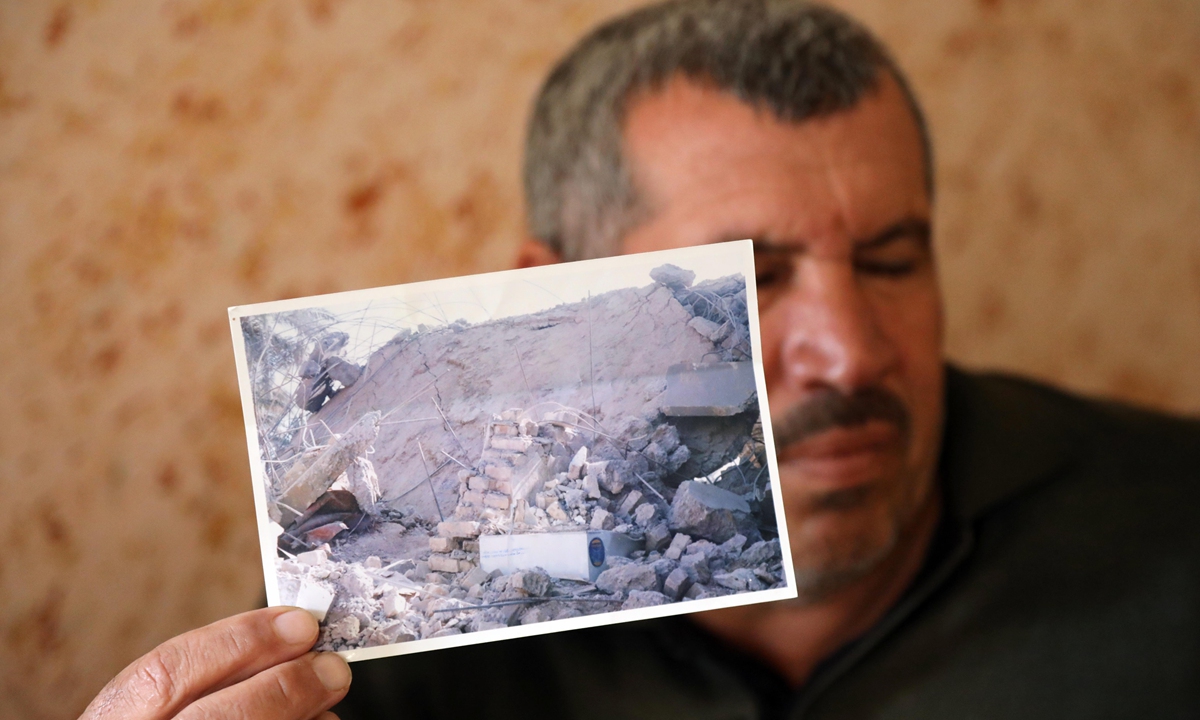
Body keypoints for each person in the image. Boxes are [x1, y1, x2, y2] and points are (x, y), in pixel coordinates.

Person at [80, 2, 1200, 719]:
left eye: (895, 260)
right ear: (544, 296)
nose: (851, 350)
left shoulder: (1172, 536)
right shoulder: (365, 655)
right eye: (748, 280)